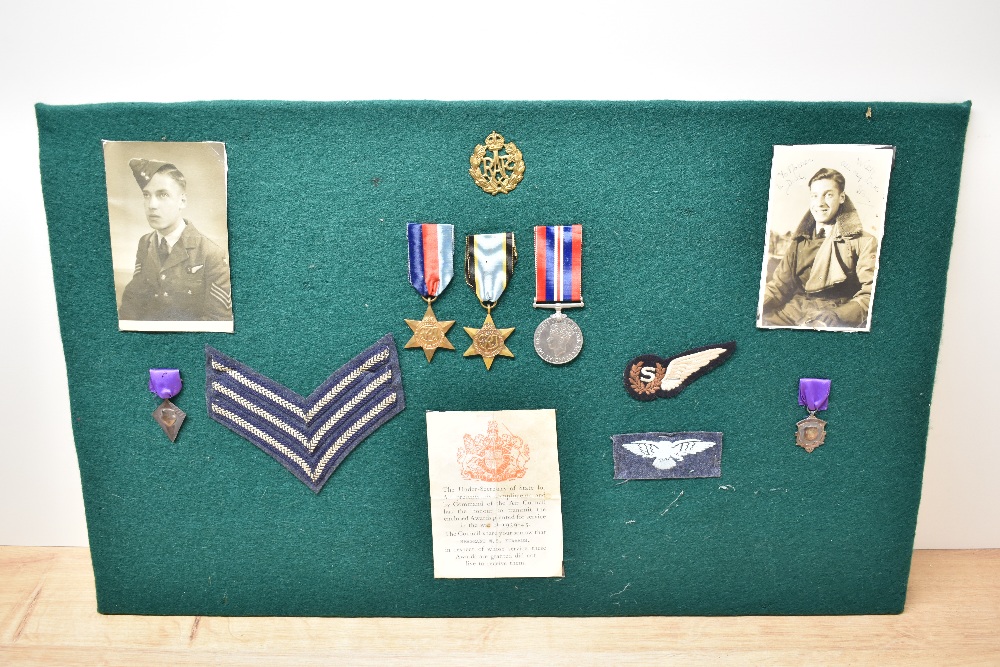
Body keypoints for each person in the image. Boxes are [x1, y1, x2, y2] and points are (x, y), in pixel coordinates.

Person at [760, 168, 878, 329]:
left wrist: (839, 315)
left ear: (841, 197)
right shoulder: (799, 241)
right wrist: (759, 305)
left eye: (828, 195)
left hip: (832, 316)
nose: (820, 203)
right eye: (815, 196)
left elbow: (870, 293)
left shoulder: (863, 242)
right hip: (791, 313)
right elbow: (779, 286)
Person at [119, 158, 233, 321]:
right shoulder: (145, 243)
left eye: (163, 194)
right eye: (146, 195)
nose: (152, 205)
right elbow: (132, 302)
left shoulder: (211, 254)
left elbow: (218, 320)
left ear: (182, 201)